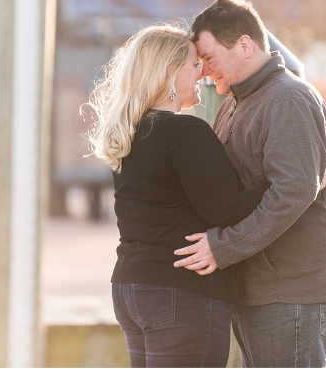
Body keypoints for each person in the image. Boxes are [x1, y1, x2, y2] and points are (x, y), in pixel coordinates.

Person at [88, 24, 293, 367]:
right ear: (169, 71)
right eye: (194, 64)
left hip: (131, 288)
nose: (204, 72)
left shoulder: (128, 134)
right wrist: (293, 184)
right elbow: (227, 209)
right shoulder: (185, 131)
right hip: (180, 292)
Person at [173, 0, 326, 368]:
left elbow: (292, 193)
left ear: (244, 46)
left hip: (293, 292)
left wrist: (223, 247)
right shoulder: (237, 102)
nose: (204, 71)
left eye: (208, 58)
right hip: (261, 288)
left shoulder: (288, 99)